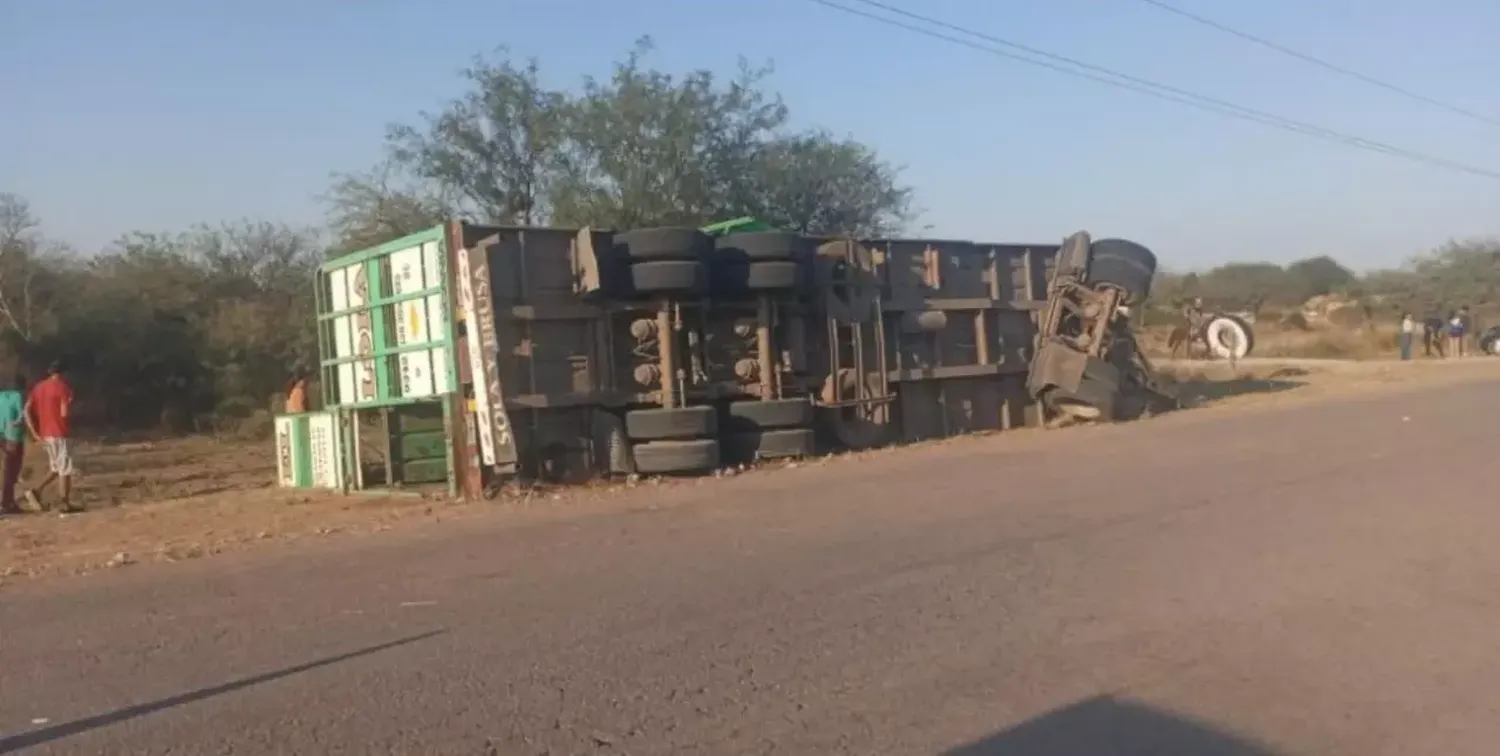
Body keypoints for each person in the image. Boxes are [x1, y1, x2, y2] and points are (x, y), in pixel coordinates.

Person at [23, 361, 77, 513]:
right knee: (65, 468)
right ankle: (64, 502)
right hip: (59, 431)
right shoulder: (63, 388)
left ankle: (35, 491)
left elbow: (26, 410)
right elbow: (64, 413)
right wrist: (70, 402)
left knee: (56, 468)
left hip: (45, 433)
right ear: (62, 373)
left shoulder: (39, 387)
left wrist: (34, 432)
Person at [0, 374, 26, 514]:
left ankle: (7, 501)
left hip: (1, 433)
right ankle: (6, 501)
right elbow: (22, 415)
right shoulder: (18, 396)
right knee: (12, 469)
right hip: (13, 435)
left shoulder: (1, 396)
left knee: (6, 468)